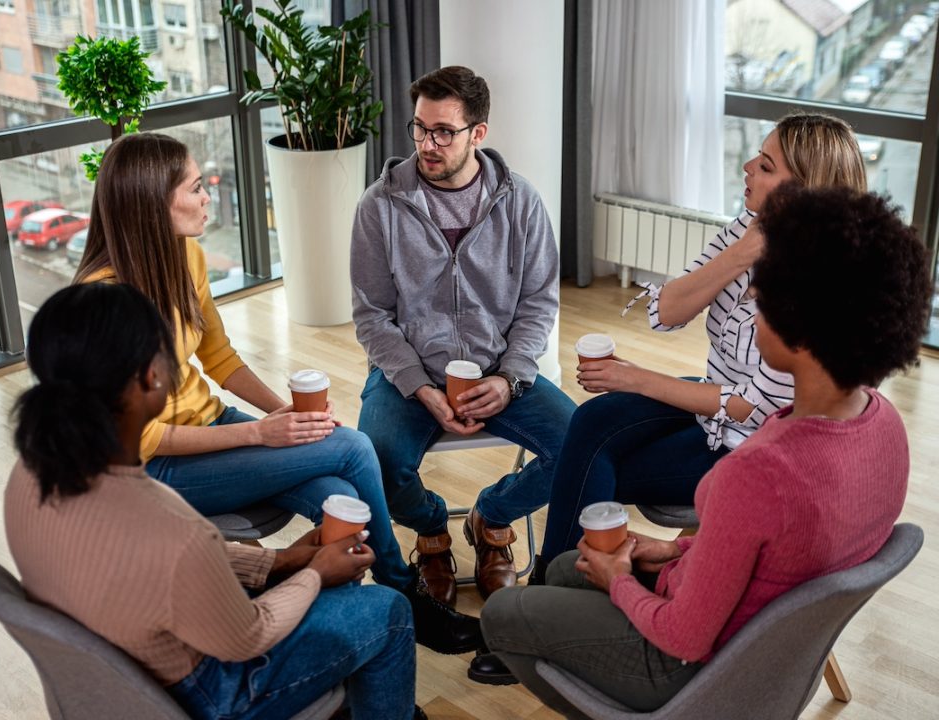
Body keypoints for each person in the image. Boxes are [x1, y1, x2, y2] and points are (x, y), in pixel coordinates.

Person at [478, 183, 930, 712]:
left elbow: (684, 638)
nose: (753, 300)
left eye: (766, 294)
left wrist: (622, 581)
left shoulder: (758, 473)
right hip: (769, 654)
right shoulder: (883, 425)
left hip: (690, 669)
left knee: (504, 613)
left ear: (803, 333)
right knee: (564, 570)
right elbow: (772, 554)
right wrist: (675, 549)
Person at [71, 132, 481, 656]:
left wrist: (281, 414)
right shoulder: (101, 305)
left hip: (215, 424)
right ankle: (404, 595)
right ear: (154, 203)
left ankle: (339, 636)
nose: (207, 198)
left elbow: (218, 357)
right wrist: (262, 433)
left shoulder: (184, 256)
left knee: (345, 500)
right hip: (154, 470)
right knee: (353, 447)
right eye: (195, 189)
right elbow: (141, 439)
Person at [4, 282, 427, 720]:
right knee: (388, 611)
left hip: (121, 678)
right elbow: (247, 636)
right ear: (153, 378)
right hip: (211, 695)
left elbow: (164, 566)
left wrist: (282, 561)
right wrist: (316, 573)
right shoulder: (168, 524)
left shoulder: (29, 475)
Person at [537, 113, 869, 570]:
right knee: (593, 421)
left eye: (766, 166)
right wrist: (741, 254)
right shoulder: (748, 227)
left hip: (755, 449)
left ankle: (557, 591)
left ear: (805, 194)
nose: (747, 167)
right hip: (713, 408)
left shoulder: (820, 291)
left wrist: (635, 378)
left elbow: (749, 408)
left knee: (589, 465)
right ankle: (557, 586)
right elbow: (667, 313)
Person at [351, 66, 577, 605]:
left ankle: (490, 518)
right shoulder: (379, 206)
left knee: (581, 446)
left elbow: (538, 302)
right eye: (420, 128)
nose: (428, 144)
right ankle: (432, 532)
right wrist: (419, 387)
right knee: (373, 464)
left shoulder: (520, 201)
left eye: (444, 131)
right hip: (409, 374)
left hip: (498, 370)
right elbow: (371, 316)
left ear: (478, 133)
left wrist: (510, 377)